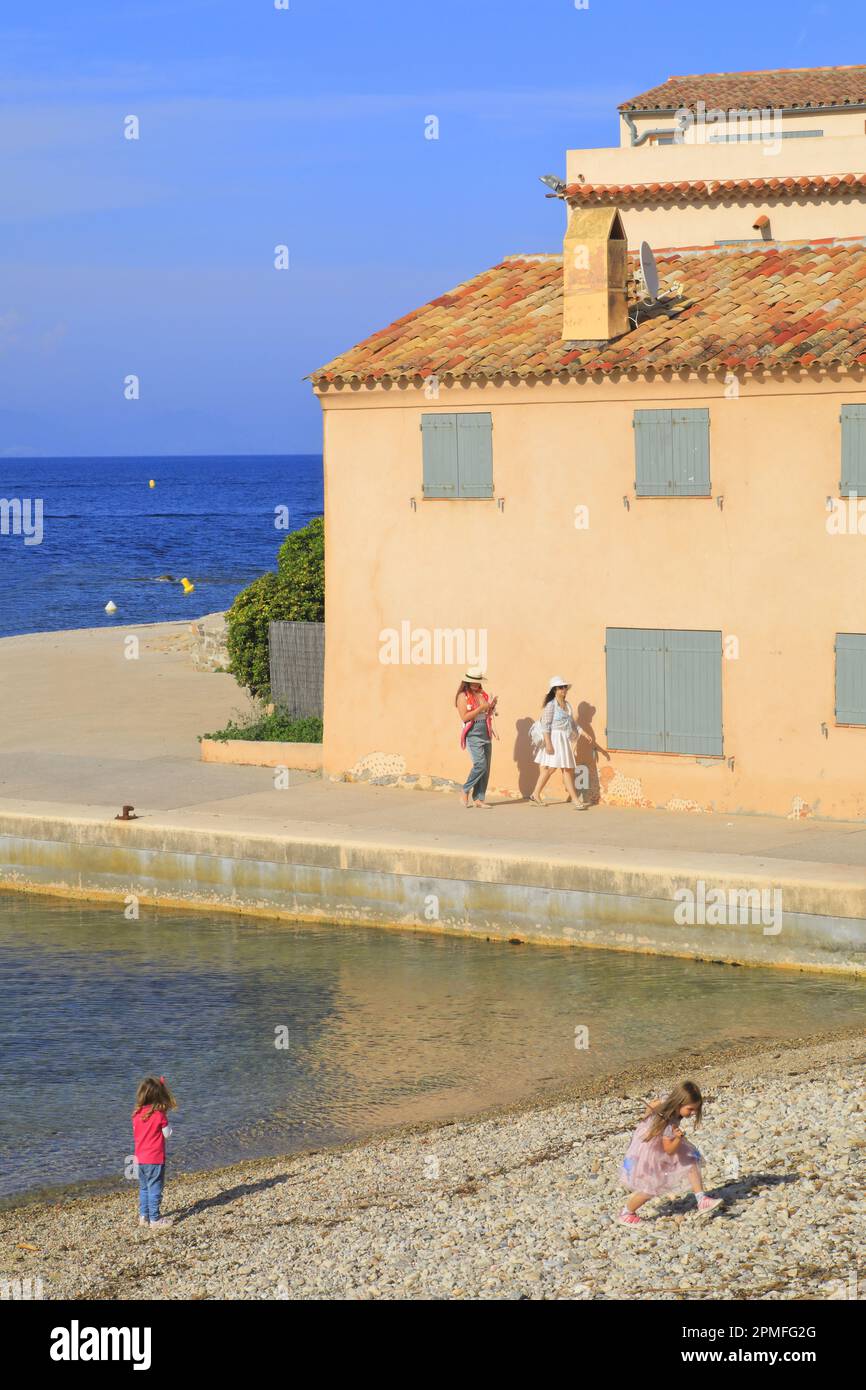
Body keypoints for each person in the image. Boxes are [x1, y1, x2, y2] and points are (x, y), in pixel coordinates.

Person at [618, 1079, 723, 1225]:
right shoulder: (668, 1124)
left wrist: (645, 1121)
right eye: (690, 1109)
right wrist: (678, 1138)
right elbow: (669, 1150)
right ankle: (626, 1212)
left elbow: (654, 1103)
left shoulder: (667, 1100)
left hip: (654, 1142)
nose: (693, 1113)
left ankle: (701, 1199)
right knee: (651, 1186)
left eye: (696, 1110)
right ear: (679, 1103)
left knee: (690, 1159)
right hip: (652, 1152)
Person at [529, 677, 587, 808]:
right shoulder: (551, 705)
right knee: (551, 768)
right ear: (555, 689)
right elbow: (545, 725)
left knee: (566, 769)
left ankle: (574, 799)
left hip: (563, 740)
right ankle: (536, 794)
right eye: (561, 687)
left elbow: (572, 723)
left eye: (565, 687)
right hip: (553, 738)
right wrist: (548, 743)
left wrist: (583, 732)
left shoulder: (568, 705)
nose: (564, 689)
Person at [132, 1075, 177, 1229]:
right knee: (155, 1188)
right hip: (155, 1159)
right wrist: (167, 1121)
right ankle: (155, 1219)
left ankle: (143, 1216)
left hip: (139, 1158)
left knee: (144, 1187)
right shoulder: (159, 1115)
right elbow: (167, 1134)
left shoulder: (136, 1115)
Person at [456, 668, 497, 808]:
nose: (475, 684)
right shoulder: (462, 696)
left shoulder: (482, 694)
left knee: (486, 768)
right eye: (473, 681)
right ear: (467, 681)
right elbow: (465, 717)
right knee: (480, 764)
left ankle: (479, 798)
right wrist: (480, 708)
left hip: (485, 730)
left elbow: (487, 713)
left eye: (477, 682)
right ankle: (465, 789)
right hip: (473, 732)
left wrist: (491, 706)